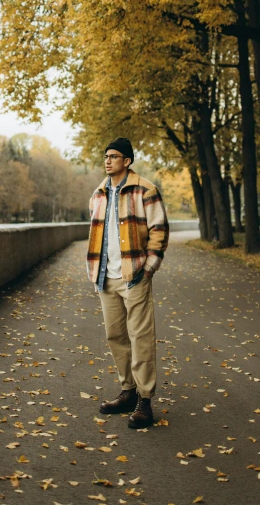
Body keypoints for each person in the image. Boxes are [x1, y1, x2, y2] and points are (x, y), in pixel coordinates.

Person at [86, 137, 169, 429]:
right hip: (106, 276)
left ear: (127, 161)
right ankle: (128, 392)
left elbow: (159, 230)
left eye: (114, 156)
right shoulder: (98, 193)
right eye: (105, 156)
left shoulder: (146, 189)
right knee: (115, 336)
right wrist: (96, 269)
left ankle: (145, 401)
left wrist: (148, 268)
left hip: (134, 276)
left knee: (141, 337)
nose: (107, 160)